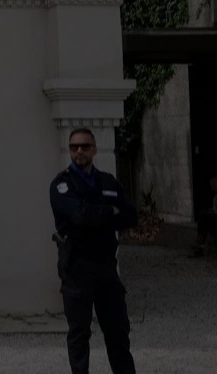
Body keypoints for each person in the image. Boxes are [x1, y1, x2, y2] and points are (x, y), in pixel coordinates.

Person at [50, 128, 137, 374]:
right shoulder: (62, 184)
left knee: (118, 331)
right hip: (77, 269)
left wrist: (93, 216)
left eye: (85, 146)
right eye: (74, 147)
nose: (79, 151)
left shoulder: (108, 182)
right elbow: (78, 216)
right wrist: (109, 211)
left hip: (106, 268)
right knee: (79, 334)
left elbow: (130, 216)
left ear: (94, 150)